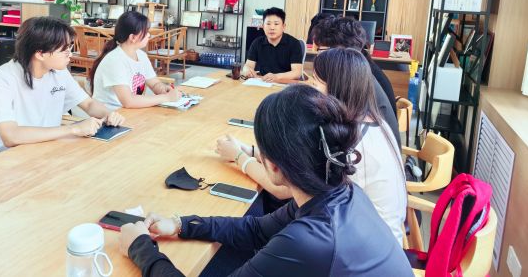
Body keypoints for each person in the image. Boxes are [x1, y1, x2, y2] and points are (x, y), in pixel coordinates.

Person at [119, 85, 412, 276]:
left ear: (271, 165)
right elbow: (257, 230)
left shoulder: (309, 240)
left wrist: (140, 248)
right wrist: (181, 224)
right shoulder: (340, 192)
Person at [0, 17, 125, 153]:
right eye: (64, 50)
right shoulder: (2, 79)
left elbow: (89, 104)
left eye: (70, 47)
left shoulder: (59, 72)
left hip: (41, 148)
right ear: (40, 54)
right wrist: (74, 129)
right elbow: (11, 137)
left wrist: (108, 115)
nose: (70, 54)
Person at [312, 48, 407, 244]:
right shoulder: (372, 123)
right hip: (381, 237)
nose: (312, 89)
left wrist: (245, 160)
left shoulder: (353, 144)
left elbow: (300, 191)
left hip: (369, 248)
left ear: (336, 86)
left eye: (316, 82)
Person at [311, 16, 400, 147]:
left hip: (369, 152)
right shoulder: (361, 71)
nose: (317, 56)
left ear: (339, 52)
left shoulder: (357, 82)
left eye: (320, 50)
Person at [91, 11, 180, 110]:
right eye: (146, 32)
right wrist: (166, 98)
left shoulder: (141, 56)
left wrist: (163, 89)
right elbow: (128, 102)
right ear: (133, 37)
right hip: (110, 115)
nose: (149, 35)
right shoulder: (114, 60)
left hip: (130, 113)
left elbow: (154, 84)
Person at [243, 7, 302, 83]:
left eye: (276, 24)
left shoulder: (294, 44)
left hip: (285, 84)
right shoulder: (257, 42)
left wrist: (276, 77)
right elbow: (248, 65)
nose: (272, 28)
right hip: (263, 82)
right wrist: (247, 70)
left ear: (283, 27)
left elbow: (297, 73)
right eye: (268, 24)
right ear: (263, 26)